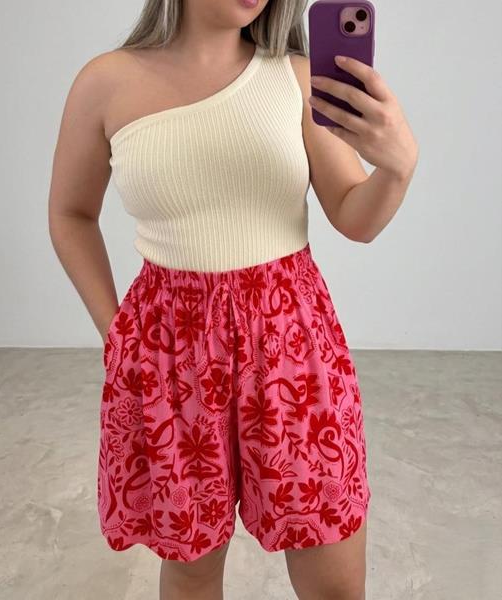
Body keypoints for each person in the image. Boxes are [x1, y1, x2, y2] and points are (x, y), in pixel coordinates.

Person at [48, 1, 418, 599]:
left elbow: (356, 217)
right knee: (192, 571)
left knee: (334, 576)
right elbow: (70, 213)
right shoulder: (105, 82)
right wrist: (115, 334)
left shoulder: (296, 78)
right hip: (171, 359)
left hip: (292, 351)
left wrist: (397, 168)